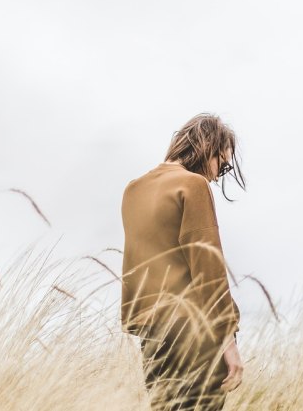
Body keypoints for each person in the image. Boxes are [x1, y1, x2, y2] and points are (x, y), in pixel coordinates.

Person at [120, 113, 247, 411]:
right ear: (207, 148)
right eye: (223, 163)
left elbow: (136, 267)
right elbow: (208, 268)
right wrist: (228, 342)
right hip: (196, 335)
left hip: (153, 339)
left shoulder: (133, 190)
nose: (218, 175)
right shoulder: (193, 185)